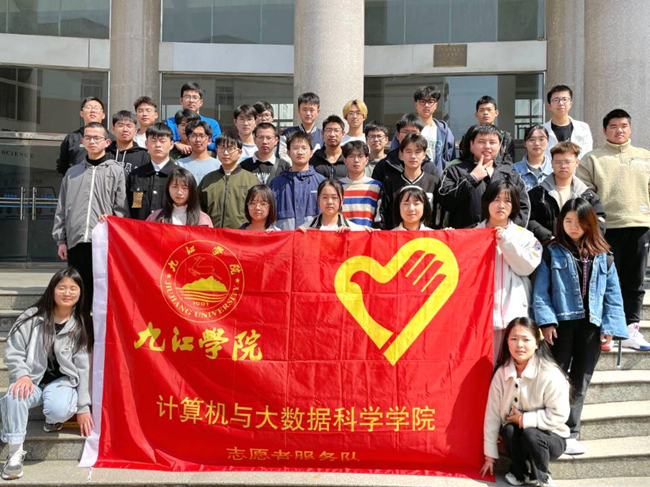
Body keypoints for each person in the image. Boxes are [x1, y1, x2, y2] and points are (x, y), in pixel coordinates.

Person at [533, 198, 628, 455]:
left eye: (579, 222)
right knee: (555, 377)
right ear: (560, 222)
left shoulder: (604, 256)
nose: (573, 226)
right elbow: (541, 291)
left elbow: (613, 294)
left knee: (581, 380)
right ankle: (552, 427)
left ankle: (571, 431)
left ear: (590, 223)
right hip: (561, 326)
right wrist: (546, 321)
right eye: (568, 221)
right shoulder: (552, 251)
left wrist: (609, 326)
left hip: (591, 327)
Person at [0, 268, 93, 481]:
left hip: (61, 383)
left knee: (58, 410)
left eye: (73, 288)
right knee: (15, 394)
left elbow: (83, 367)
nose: (67, 293)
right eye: (62, 287)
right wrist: (22, 375)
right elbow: (13, 351)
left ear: (80, 293)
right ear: (52, 290)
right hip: (31, 381)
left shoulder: (81, 324)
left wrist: (83, 407)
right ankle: (14, 453)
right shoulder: (31, 317)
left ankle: (51, 420)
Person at [577, 109, 650, 351]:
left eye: (624, 126)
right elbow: (585, 193)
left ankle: (631, 329)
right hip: (606, 229)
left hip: (639, 225)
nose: (619, 130)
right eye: (614, 126)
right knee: (604, 279)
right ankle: (605, 329)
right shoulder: (592, 159)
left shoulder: (645, 156)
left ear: (630, 128)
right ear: (604, 130)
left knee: (635, 281)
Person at [481, 317, 570, 487]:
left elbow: (559, 415)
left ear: (537, 343)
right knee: (508, 430)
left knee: (531, 434)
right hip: (520, 438)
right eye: (514, 339)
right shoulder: (501, 374)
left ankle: (542, 477)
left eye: (526, 340)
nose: (519, 345)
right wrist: (489, 457)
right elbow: (492, 415)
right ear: (507, 342)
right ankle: (519, 472)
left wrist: (524, 419)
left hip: (551, 437)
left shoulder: (550, 373)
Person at [52, 122, 128, 315]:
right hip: (76, 240)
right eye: (88, 138)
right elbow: (62, 208)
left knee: (101, 292)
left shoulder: (115, 170)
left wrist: (113, 225)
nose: (92, 141)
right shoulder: (72, 172)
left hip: (103, 242)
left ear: (107, 142)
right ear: (82, 141)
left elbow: (121, 208)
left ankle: (98, 332)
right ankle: (78, 329)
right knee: (78, 291)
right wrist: (61, 240)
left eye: (97, 138)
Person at [476, 180, 542, 358]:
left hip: (514, 312)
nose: (501, 205)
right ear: (487, 202)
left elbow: (525, 267)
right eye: (496, 199)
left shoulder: (525, 236)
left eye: (507, 201)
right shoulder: (472, 234)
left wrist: (505, 241)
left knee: (512, 364)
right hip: (480, 315)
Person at [438, 124, 529, 229]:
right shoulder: (455, 170)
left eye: (492, 142)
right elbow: (444, 200)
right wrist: (472, 178)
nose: (487, 146)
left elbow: (522, 207)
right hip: (466, 235)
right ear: (472, 144)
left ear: (499, 145)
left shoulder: (509, 173)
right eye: (481, 142)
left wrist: (508, 231)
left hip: (502, 236)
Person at [527, 141, 605, 245]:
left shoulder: (588, 196)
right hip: (547, 248)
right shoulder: (537, 194)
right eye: (558, 162)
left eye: (568, 162)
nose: (563, 166)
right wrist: (548, 237)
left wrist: (584, 239)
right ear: (551, 163)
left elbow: (599, 221)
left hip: (581, 247)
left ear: (577, 163)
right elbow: (528, 219)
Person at [388, 85, 455, 174]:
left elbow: (451, 159)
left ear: (436, 105)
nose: (426, 105)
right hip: (408, 175)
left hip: (435, 177)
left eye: (431, 101)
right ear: (416, 104)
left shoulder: (444, 131)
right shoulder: (406, 128)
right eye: (422, 101)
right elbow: (394, 154)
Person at [378, 134, 439, 230]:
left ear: (424, 155)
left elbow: (439, 214)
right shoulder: (390, 183)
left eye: (417, 152)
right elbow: (382, 213)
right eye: (408, 152)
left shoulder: (434, 182)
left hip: (427, 237)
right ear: (401, 154)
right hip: (396, 236)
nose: (413, 156)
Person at [199, 134, 258, 229]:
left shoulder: (251, 180)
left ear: (239, 152)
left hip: (241, 234)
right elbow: (198, 208)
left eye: (230, 148)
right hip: (212, 234)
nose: (225, 153)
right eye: (221, 148)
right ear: (216, 150)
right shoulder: (208, 179)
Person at [270, 131, 326, 230]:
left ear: (311, 153)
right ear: (288, 153)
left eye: (304, 148)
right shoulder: (276, 183)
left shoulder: (321, 183)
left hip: (314, 237)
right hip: (285, 237)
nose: (300, 152)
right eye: (295, 148)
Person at [371, 114, 441, 184]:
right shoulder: (384, 165)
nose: (409, 136)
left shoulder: (429, 167)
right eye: (405, 132)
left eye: (414, 132)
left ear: (420, 135)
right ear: (397, 135)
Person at [127, 123, 176, 220]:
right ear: (146, 144)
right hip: (141, 227)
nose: (158, 145)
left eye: (162, 141)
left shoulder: (179, 175)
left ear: (171, 145)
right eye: (153, 140)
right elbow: (134, 206)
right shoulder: (136, 175)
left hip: (169, 228)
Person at [55, 96, 114, 175]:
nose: (92, 111)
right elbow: (62, 165)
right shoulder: (72, 138)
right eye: (88, 107)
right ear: (81, 113)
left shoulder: (112, 139)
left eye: (96, 108)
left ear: (103, 115)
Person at [165, 82, 221, 155]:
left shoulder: (212, 123)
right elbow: (163, 142)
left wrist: (196, 144)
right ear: (181, 100)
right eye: (187, 97)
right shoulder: (170, 123)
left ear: (201, 102)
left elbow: (218, 145)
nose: (191, 100)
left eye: (195, 97)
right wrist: (176, 143)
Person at [147, 166, 212, 226]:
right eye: (175, 187)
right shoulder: (155, 218)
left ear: (192, 190)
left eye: (184, 187)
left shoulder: (203, 220)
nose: (179, 192)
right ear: (168, 189)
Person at [458, 96, 515, 164]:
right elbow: (464, 160)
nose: (485, 113)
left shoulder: (505, 137)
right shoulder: (468, 136)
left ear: (496, 113)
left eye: (489, 110)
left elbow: (509, 163)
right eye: (481, 110)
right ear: (476, 115)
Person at [339, 140, 382, 228]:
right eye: (351, 156)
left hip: (368, 234)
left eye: (360, 156)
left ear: (366, 160)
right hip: (342, 234)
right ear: (345, 160)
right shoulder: (337, 186)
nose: (356, 160)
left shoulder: (376, 186)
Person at [543, 85, 592, 159]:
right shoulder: (542, 130)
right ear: (549, 106)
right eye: (556, 100)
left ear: (570, 104)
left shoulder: (583, 128)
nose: (561, 103)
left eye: (564, 99)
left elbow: (588, 154)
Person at [299, 180, 365, 231]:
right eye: (325, 197)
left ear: (342, 201)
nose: (329, 202)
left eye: (334, 197)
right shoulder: (306, 229)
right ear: (318, 200)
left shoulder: (354, 230)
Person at [278, 92, 324, 163]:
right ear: (298, 111)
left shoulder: (323, 135)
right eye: (304, 110)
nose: (308, 113)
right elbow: (283, 155)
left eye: (311, 110)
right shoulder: (287, 133)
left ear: (318, 111)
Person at [106, 110, 150, 177]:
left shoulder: (144, 156)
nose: (125, 130)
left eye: (129, 126)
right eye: (121, 125)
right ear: (113, 129)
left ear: (135, 131)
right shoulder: (104, 153)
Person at [176, 120, 221, 186]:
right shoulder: (179, 165)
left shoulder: (218, 166)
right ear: (188, 140)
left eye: (202, 136)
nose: (198, 140)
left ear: (209, 140)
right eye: (193, 136)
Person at [513, 125, 553, 191]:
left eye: (541, 139)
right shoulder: (514, 170)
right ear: (525, 143)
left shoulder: (554, 169)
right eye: (531, 140)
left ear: (548, 142)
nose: (537, 143)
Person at [310, 115, 347, 180]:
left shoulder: (348, 158)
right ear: (322, 133)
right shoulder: (314, 158)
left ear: (343, 134)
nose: (332, 134)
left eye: (336, 130)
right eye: (328, 130)